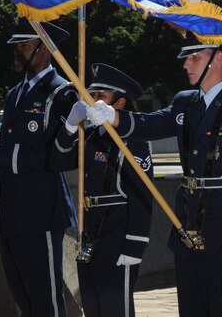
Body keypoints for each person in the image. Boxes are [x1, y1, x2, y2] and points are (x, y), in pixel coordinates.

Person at [85, 38, 222, 317]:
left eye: (194, 57)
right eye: (186, 58)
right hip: (186, 220)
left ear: (218, 59)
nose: (186, 64)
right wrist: (113, 116)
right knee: (191, 304)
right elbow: (150, 124)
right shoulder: (185, 102)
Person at [0, 18, 77, 317]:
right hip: (13, 212)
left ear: (44, 49)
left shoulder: (61, 94)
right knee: (24, 298)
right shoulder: (15, 93)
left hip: (41, 212)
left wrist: (2, 155)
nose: (17, 51)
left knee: (46, 299)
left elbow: (57, 158)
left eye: (24, 45)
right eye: (15, 45)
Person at [50, 63, 153, 317]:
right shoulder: (91, 135)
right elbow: (57, 161)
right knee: (93, 305)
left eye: (100, 96)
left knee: (115, 308)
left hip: (117, 231)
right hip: (89, 230)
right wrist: (71, 127)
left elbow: (142, 193)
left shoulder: (133, 139)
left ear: (119, 103)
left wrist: (135, 244)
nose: (92, 101)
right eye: (91, 95)